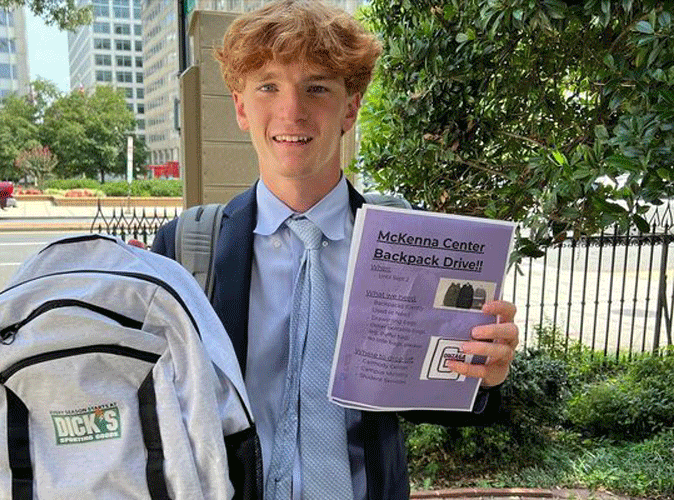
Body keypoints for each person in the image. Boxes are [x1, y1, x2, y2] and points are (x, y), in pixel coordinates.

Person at [152, 1, 519, 499]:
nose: (291, 110)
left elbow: (427, 390)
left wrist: (483, 375)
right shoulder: (186, 247)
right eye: (268, 86)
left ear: (350, 107)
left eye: (317, 87)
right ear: (240, 106)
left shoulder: (403, 244)